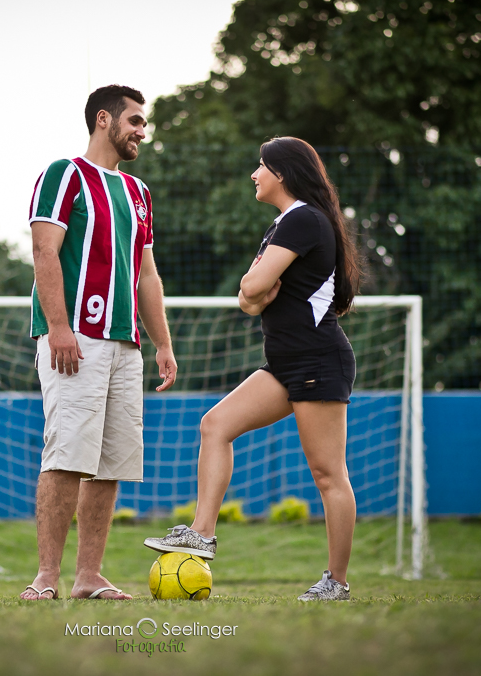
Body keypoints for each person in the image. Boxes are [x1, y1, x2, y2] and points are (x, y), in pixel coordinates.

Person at [144, 136, 360, 601]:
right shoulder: (283, 224)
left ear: (282, 173)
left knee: (327, 474)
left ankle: (336, 583)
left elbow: (254, 284)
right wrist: (255, 289)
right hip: (284, 362)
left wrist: (257, 287)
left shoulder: (303, 218)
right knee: (215, 425)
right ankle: (202, 535)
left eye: (261, 166)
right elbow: (247, 298)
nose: (254, 174)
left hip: (317, 359)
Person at [20, 85, 178, 601]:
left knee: (110, 463)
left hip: (125, 344)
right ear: (104, 119)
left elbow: (148, 276)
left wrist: (163, 344)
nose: (142, 131)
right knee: (66, 455)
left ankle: (90, 576)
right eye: (135, 121)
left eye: (144, 124)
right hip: (76, 340)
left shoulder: (139, 193)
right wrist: (59, 327)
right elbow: (45, 251)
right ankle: (46, 577)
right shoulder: (62, 174)